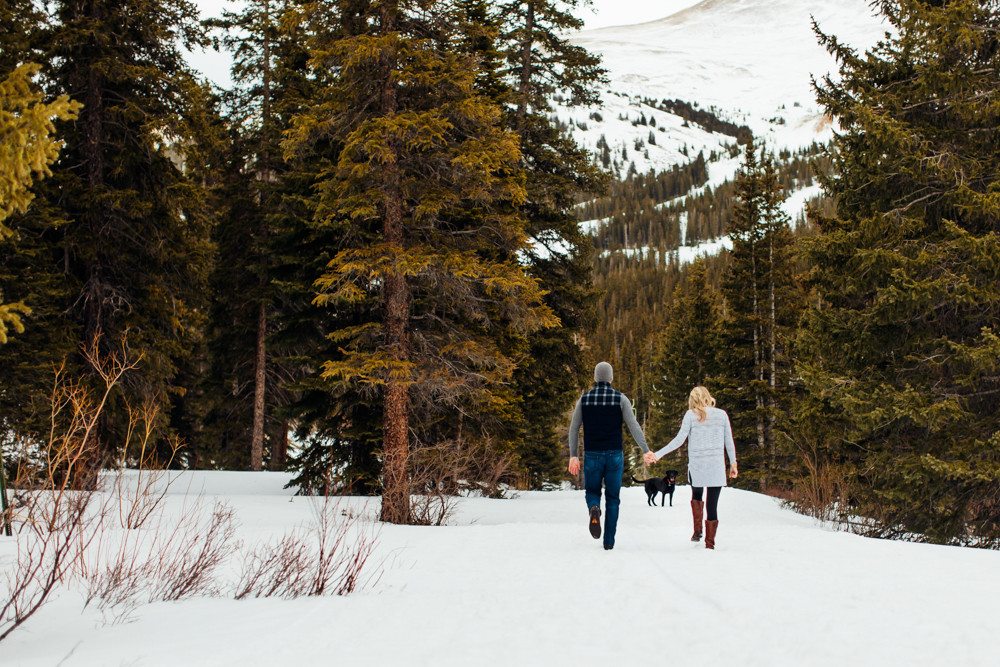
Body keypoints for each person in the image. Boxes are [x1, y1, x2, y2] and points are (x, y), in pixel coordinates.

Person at [568, 361, 654, 550]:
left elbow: (574, 429)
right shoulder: (620, 399)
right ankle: (609, 542)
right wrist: (645, 450)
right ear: (611, 378)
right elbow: (634, 426)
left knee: (592, 492)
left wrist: (573, 455)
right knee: (613, 498)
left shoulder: (584, 399)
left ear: (595, 378)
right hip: (615, 454)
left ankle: (593, 507)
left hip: (592, 455)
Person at [651, 386, 737, 549]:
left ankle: (698, 530)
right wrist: (733, 463)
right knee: (712, 505)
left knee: (697, 493)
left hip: (697, 466)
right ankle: (709, 544)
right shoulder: (722, 415)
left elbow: (679, 440)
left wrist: (658, 454)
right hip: (716, 466)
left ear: (693, 400)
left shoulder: (690, 415)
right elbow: (729, 441)